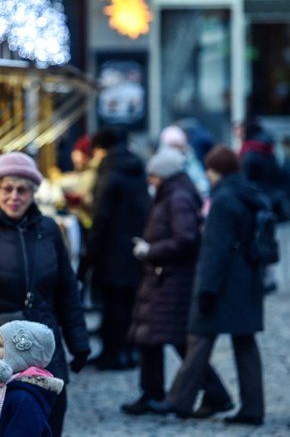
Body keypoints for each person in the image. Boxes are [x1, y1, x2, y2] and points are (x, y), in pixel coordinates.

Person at [0, 152, 90, 436]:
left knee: (50, 419)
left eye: (22, 189)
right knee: (1, 422)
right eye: (6, 188)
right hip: (0, 345)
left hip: (45, 345)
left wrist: (79, 341)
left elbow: (66, 289)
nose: (14, 196)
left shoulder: (48, 229)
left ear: (33, 192)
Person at [156, 146, 267, 425]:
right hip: (247, 278)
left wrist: (206, 290)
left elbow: (215, 251)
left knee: (200, 338)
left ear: (215, 170)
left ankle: (179, 400)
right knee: (245, 343)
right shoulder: (247, 192)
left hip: (224, 282)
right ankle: (252, 408)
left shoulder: (223, 200)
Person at [121, 148, 230, 417]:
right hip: (164, 278)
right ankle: (155, 392)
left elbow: (185, 239)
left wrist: (150, 250)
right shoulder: (172, 193)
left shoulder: (177, 196)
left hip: (171, 279)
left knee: (176, 341)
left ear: (164, 176)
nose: (150, 180)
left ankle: (215, 395)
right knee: (154, 339)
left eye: (153, 175)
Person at [86, 128, 150, 370]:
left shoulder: (110, 172)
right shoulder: (135, 168)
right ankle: (129, 351)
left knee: (113, 306)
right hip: (132, 247)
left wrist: (91, 252)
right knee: (128, 304)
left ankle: (113, 354)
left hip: (111, 250)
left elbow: (101, 216)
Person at [159, 125, 211, 200]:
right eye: (172, 146)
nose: (176, 151)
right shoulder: (159, 165)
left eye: (178, 146)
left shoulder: (189, 159)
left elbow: (202, 184)